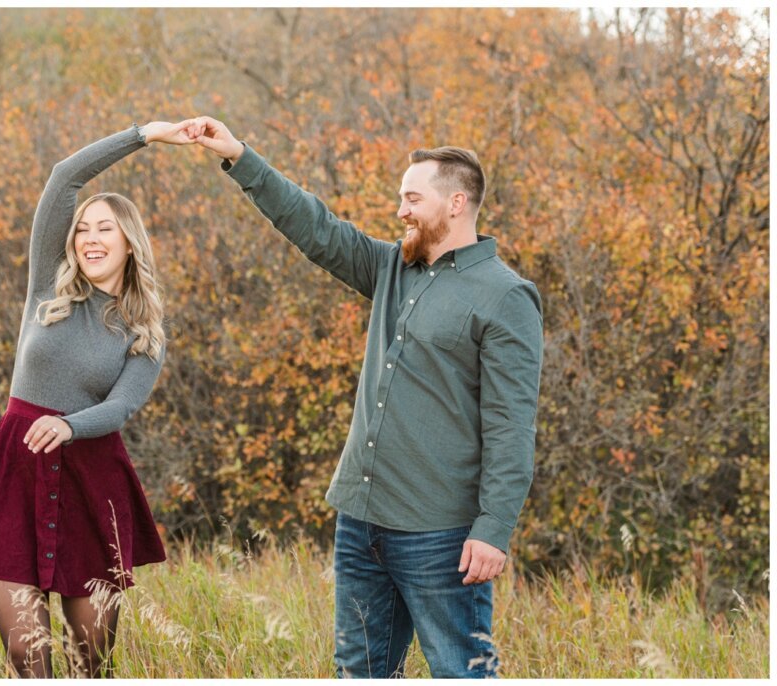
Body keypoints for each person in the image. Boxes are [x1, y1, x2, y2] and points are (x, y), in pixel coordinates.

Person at [186, 116, 543, 678]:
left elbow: (511, 426)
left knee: (460, 671)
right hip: (360, 522)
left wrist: (493, 527)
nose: (400, 210)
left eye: (411, 198)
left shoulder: (507, 297)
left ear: (455, 203)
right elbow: (317, 227)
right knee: (360, 670)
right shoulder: (391, 267)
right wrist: (237, 156)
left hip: (440, 535)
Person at [0, 120, 198, 677]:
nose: (91, 238)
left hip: (91, 482)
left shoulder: (144, 332)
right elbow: (64, 177)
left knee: (92, 662)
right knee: (28, 658)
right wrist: (147, 134)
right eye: (83, 229)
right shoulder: (47, 288)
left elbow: (122, 407)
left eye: (106, 229)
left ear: (129, 243)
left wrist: (71, 426)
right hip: (16, 471)